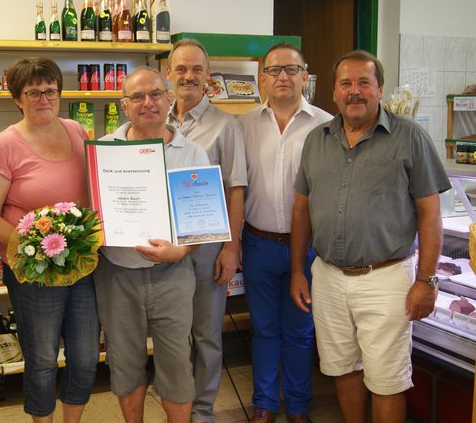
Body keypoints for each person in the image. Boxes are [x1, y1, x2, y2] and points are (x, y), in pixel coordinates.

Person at [290, 50, 450, 423]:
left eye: (364, 82)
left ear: (379, 89)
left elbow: (430, 213)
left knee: (387, 380)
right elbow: (301, 210)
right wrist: (298, 270)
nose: (355, 91)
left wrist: (426, 280)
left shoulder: (410, 138)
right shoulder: (317, 140)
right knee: (342, 367)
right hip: (327, 277)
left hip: (387, 278)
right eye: (346, 83)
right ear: (334, 92)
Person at [0, 57, 100, 422]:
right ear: (17, 98)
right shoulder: (3, 145)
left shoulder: (78, 131)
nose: (43, 98)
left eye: (50, 90)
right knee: (43, 358)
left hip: (82, 266)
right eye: (33, 92)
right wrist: (33, 244)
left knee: (84, 354)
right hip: (33, 272)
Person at [94, 66, 209, 423]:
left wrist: (181, 251)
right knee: (125, 364)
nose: (148, 103)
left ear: (169, 97)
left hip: (173, 274)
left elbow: (201, 222)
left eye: (156, 94)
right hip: (117, 274)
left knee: (176, 364)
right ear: (123, 105)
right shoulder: (102, 151)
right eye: (138, 97)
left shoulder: (192, 154)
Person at [239, 43, 333, 423]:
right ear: (262, 77)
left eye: (291, 70)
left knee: (299, 329)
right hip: (258, 241)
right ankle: (265, 402)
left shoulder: (326, 125)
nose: (282, 77)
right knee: (262, 328)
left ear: (304, 76)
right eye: (274, 70)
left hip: (307, 248)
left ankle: (297, 405)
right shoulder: (242, 125)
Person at [166, 38, 248, 423]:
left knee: (206, 334)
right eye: (181, 69)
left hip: (205, 249)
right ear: (169, 74)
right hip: (162, 248)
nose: (188, 76)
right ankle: (178, 403)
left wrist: (231, 248)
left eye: (196, 69)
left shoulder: (224, 126)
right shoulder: (154, 120)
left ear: (208, 77)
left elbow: (236, 189)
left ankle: (202, 411)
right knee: (172, 334)